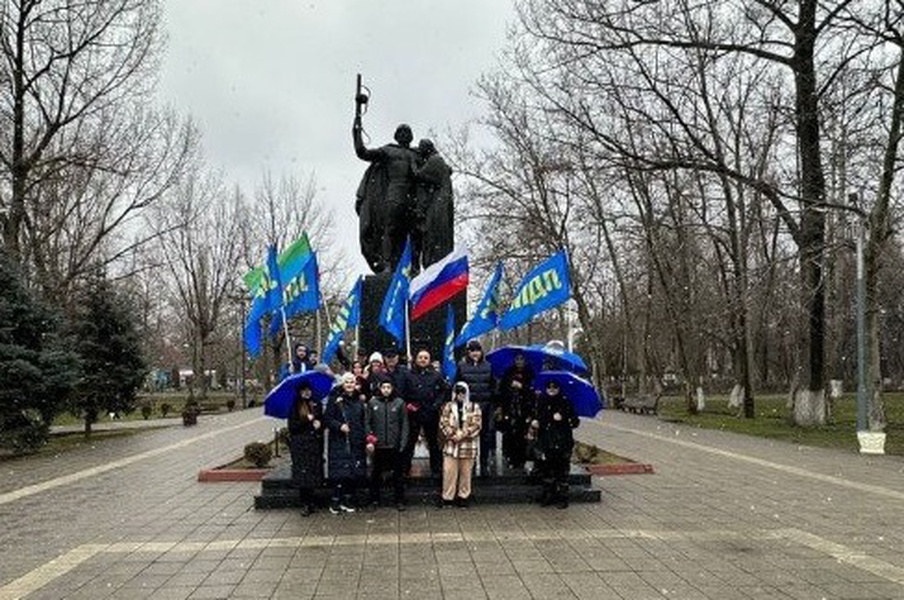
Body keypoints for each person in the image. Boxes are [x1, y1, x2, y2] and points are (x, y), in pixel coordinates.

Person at [353, 119, 418, 273]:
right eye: (401, 132)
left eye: (407, 132)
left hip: (413, 200)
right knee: (389, 230)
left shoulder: (417, 154)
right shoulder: (388, 151)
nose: (404, 134)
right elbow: (363, 152)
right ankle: (387, 264)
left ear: (411, 136)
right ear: (396, 136)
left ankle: (412, 267)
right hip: (393, 195)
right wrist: (356, 131)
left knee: (413, 235)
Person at [531, 380, 580, 509]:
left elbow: (575, 422)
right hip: (546, 441)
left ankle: (562, 497)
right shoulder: (541, 401)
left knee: (561, 470)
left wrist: (563, 417)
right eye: (549, 387)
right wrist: (535, 421)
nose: (551, 389)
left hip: (562, 441)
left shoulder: (565, 402)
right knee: (546, 469)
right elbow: (537, 416)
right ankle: (548, 495)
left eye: (555, 387)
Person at [324, 373, 367, 514]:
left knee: (352, 472)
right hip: (339, 441)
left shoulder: (359, 401)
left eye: (352, 382)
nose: (350, 385)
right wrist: (339, 426)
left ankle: (348, 500)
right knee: (339, 473)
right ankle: (336, 500)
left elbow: (362, 420)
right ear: (343, 384)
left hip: (355, 440)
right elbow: (328, 419)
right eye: (347, 382)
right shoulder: (335, 400)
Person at [365, 377, 409, 510]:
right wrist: (370, 439)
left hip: (394, 445)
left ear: (392, 389)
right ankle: (374, 500)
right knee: (375, 475)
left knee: (398, 476)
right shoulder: (372, 403)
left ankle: (399, 500)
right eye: (383, 387)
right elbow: (367, 423)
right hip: (378, 446)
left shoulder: (399, 403)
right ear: (380, 388)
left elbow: (404, 424)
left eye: (388, 387)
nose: (386, 390)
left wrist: (402, 443)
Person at [456, 339, 497, 476]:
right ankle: (470, 465)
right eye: (472, 351)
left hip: (485, 406)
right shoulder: (461, 366)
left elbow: (493, 385)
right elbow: (458, 385)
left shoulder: (489, 366)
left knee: (485, 436)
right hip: (469, 407)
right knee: (469, 436)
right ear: (468, 352)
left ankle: (484, 464)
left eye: (477, 350)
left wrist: (492, 399)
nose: (475, 353)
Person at [403, 348, 446, 478]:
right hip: (413, 414)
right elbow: (403, 392)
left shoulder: (436, 375)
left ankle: (436, 469)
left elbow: (443, 391)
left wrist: (436, 405)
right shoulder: (408, 374)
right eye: (420, 357)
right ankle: (405, 469)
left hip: (430, 413)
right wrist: (408, 404)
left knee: (433, 442)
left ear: (429, 360)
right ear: (416, 359)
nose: (423, 360)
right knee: (409, 442)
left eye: (425, 357)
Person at [412, 139, 454, 268]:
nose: (419, 150)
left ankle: (434, 259)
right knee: (436, 233)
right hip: (442, 201)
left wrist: (412, 162)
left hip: (439, 203)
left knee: (434, 231)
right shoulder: (439, 161)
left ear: (427, 148)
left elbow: (418, 175)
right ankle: (435, 257)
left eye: (421, 148)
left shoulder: (434, 160)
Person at [439, 382, 482, 508]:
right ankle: (447, 497)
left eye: (463, 392)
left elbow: (477, 425)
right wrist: (452, 434)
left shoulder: (475, 407)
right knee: (449, 472)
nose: (460, 395)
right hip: (451, 445)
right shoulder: (447, 406)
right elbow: (443, 423)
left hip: (467, 445)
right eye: (458, 392)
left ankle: (464, 497)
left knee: (466, 473)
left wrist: (462, 434)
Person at [287, 383, 324, 516]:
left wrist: (319, 425)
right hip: (300, 444)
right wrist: (306, 420)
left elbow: (321, 421)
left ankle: (312, 501)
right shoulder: (295, 406)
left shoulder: (316, 404)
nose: (307, 392)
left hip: (313, 443)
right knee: (303, 474)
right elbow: (292, 427)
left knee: (312, 473)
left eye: (309, 390)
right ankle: (305, 503)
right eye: (304, 390)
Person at [499, 352, 535, 470]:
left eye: (521, 359)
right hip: (510, 408)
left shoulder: (529, 373)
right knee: (509, 434)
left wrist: (522, 387)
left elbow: (532, 390)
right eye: (517, 359)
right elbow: (502, 389)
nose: (519, 361)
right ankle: (510, 457)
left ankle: (522, 458)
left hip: (524, 408)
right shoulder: (508, 372)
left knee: (522, 434)